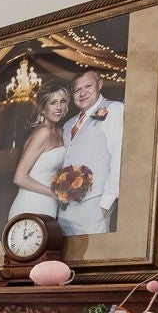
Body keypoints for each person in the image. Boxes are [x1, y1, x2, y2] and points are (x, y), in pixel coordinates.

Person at [60, 68, 122, 236]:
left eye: (88, 86)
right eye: (77, 90)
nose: (82, 93)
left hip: (95, 203)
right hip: (65, 206)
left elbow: (119, 158)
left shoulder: (114, 109)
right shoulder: (68, 124)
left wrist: (104, 206)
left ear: (99, 84)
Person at [6, 81, 72, 222]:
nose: (59, 107)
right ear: (43, 108)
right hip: (31, 203)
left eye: (62, 101)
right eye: (53, 102)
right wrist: (55, 194)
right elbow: (19, 177)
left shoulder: (60, 132)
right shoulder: (43, 132)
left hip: (49, 204)